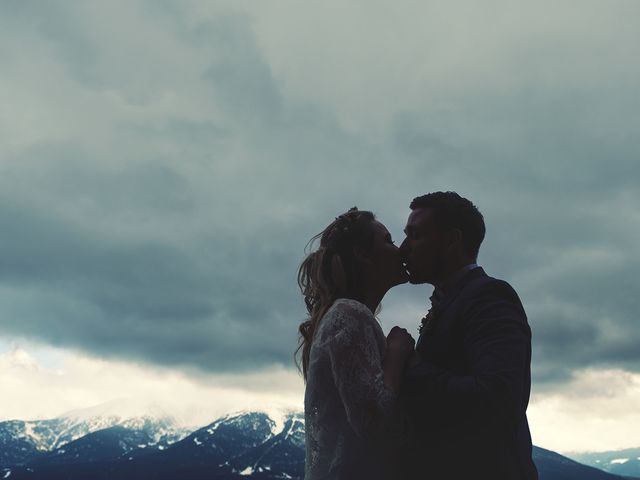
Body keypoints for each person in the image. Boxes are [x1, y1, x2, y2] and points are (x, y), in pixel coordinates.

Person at [397, 191, 538, 479]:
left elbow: (498, 397)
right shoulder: (453, 299)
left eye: (415, 235)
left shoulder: (489, 297)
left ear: (451, 241)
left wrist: (412, 368)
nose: (402, 248)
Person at [297, 207, 415, 480]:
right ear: (363, 254)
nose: (400, 250)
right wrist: (396, 355)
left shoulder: (345, 315)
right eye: (388, 241)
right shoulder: (349, 315)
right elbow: (373, 423)